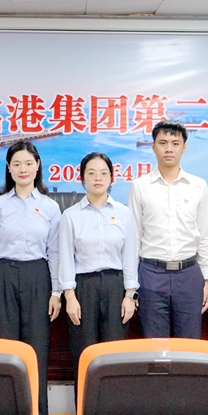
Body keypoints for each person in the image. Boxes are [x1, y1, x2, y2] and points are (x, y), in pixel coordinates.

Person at [0, 140, 61, 415]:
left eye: (28, 163)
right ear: (9, 168)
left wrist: (56, 293)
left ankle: (38, 414)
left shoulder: (50, 207)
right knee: (4, 350)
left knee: (37, 349)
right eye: (16, 164)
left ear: (37, 166)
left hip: (38, 276)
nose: (23, 169)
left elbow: (55, 252)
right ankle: (5, 414)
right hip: (3, 276)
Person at [59, 152, 139, 390]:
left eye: (104, 173)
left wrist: (130, 295)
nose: (98, 178)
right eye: (91, 173)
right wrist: (69, 296)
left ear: (111, 178)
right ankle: (84, 408)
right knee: (84, 355)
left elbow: (130, 256)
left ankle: (112, 407)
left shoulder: (124, 213)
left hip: (115, 286)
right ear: (82, 178)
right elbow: (66, 258)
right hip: (83, 288)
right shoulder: (70, 216)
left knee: (114, 355)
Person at [127, 120, 208, 339]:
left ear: (184, 147)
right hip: (151, 275)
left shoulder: (198, 186)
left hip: (189, 274)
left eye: (175, 143)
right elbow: (134, 237)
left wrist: (206, 279)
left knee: (189, 345)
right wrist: (131, 286)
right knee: (155, 346)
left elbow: (204, 235)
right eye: (162, 143)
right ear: (153, 146)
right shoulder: (140, 186)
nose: (169, 149)